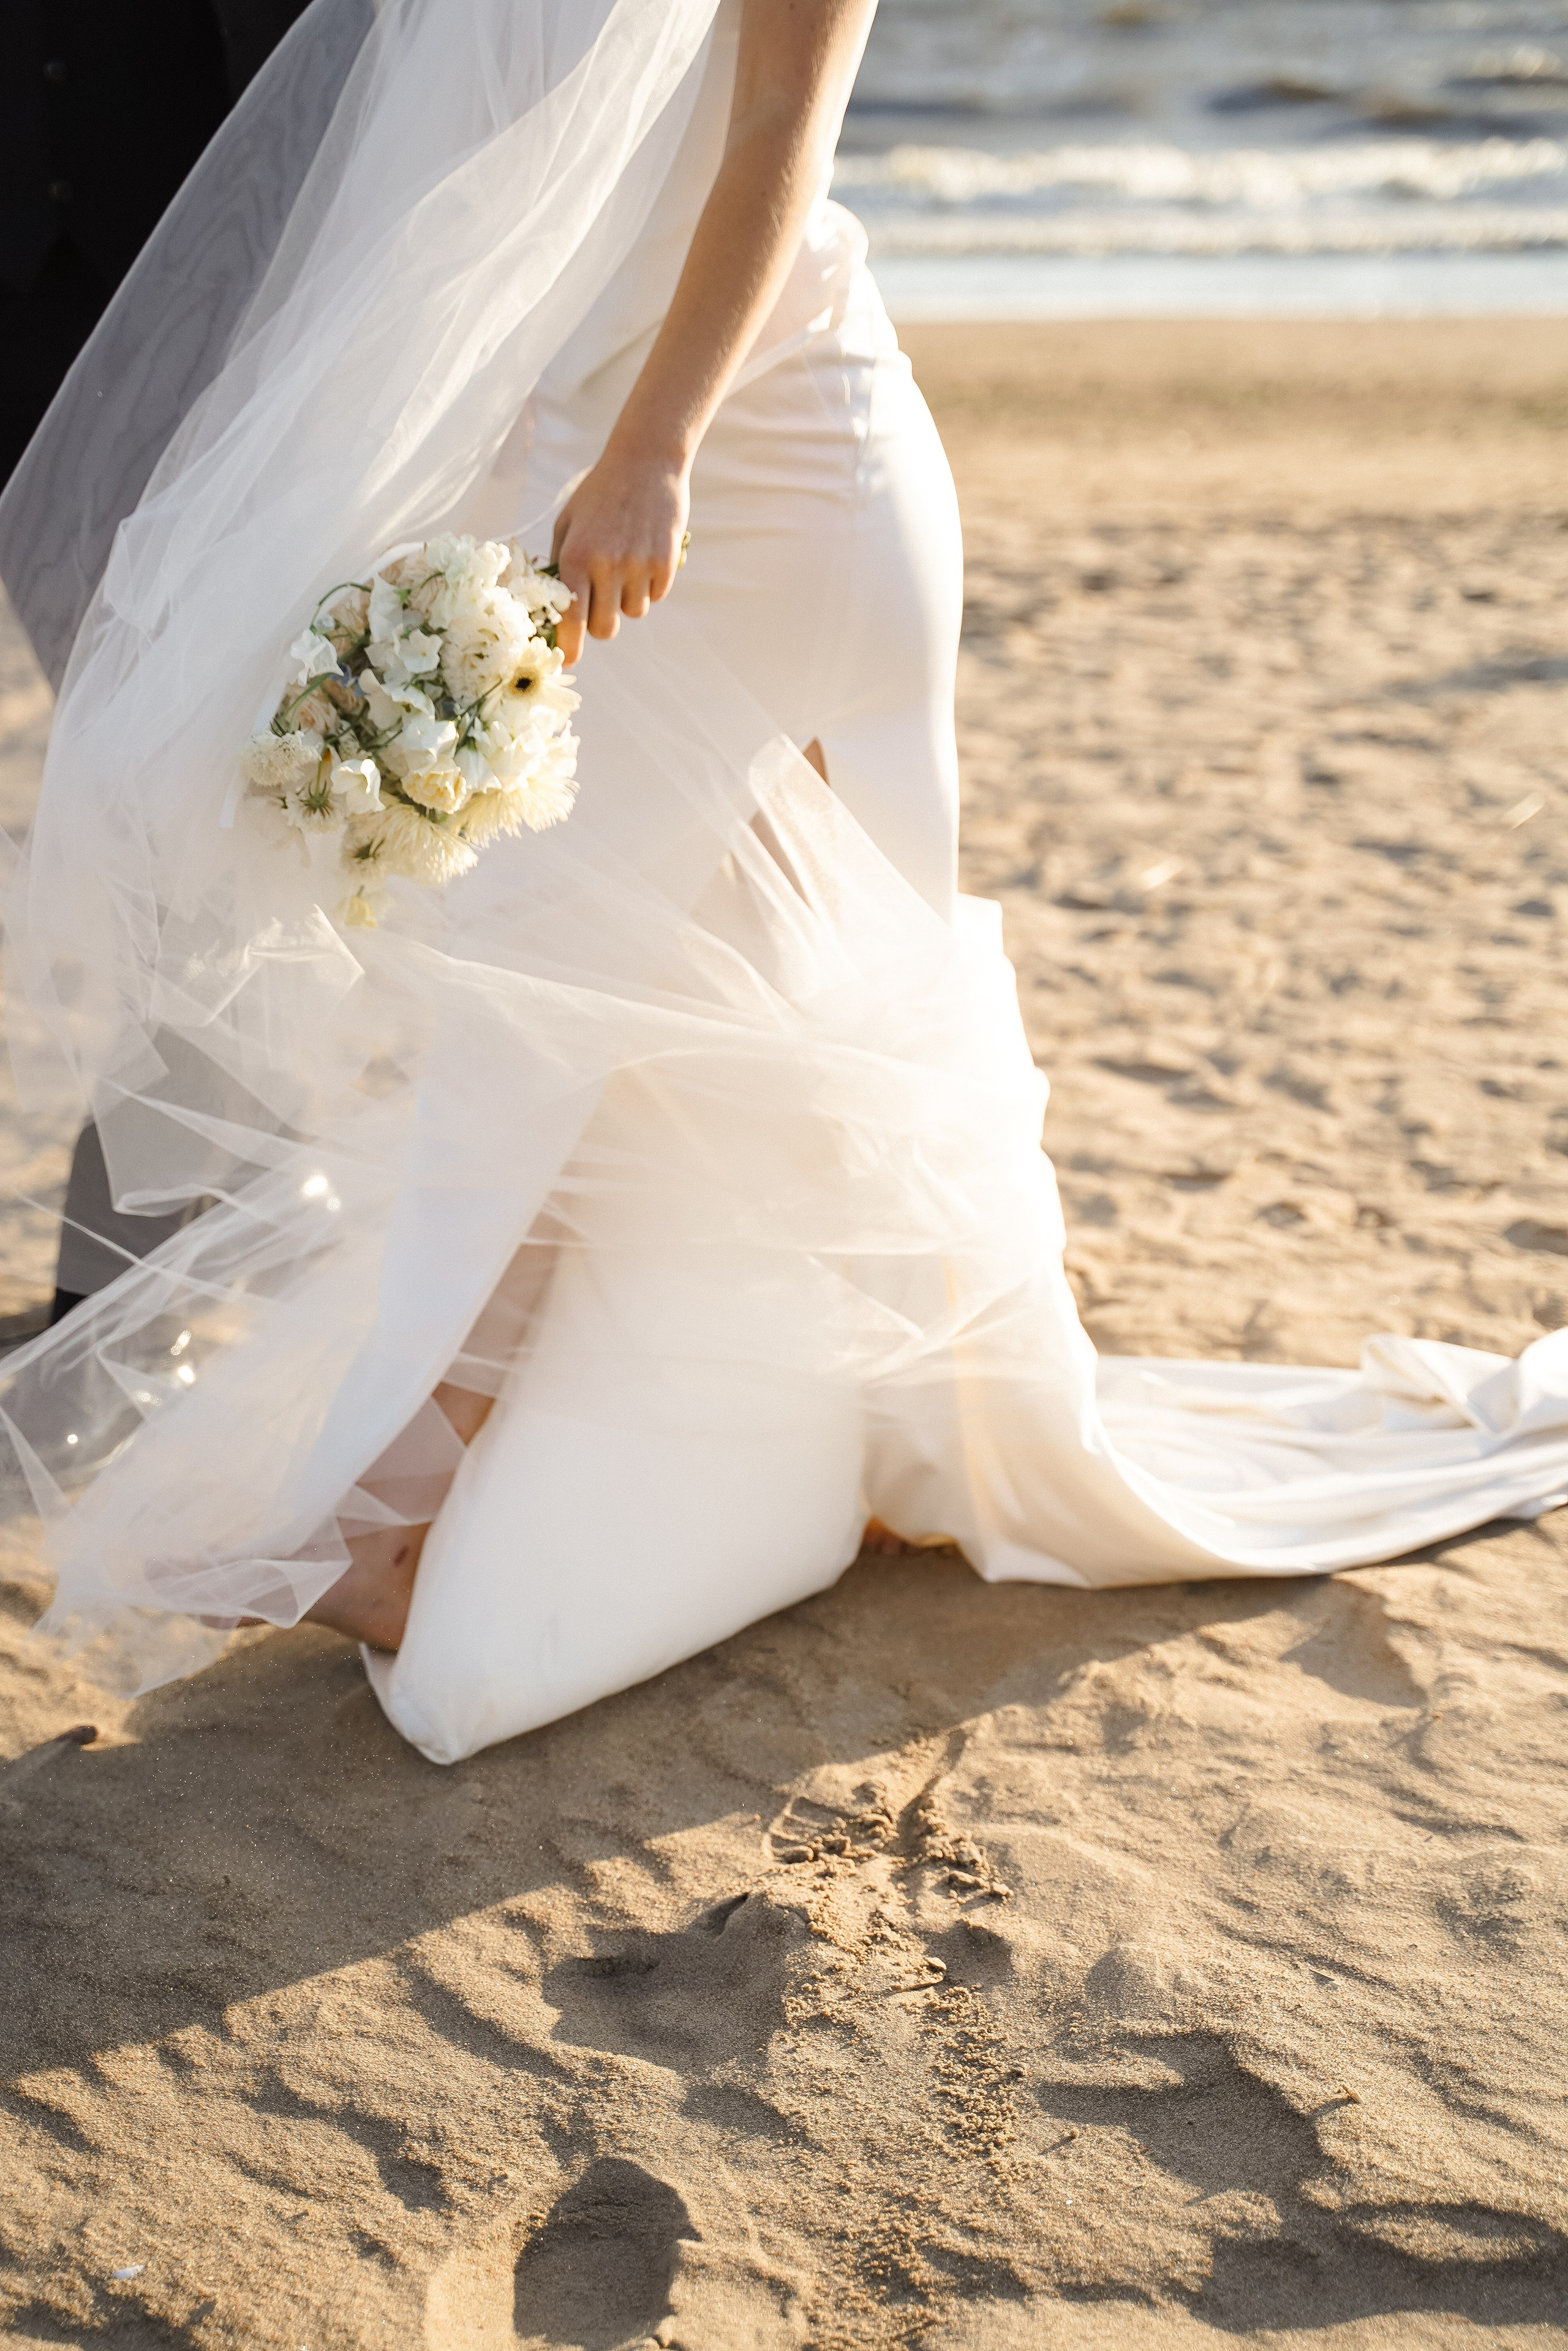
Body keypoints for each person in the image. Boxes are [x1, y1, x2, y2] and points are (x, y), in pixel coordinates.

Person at [1, 0, 1565, 1766]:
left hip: (766, 472)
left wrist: (653, 447)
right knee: (636, 992)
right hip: (588, 468)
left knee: (605, 979)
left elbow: (775, 145)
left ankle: (382, 1514)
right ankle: (790, 1430)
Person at [1, 0, 316, 1321]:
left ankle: (127, 1263)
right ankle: (257, 1181)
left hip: (197, 327)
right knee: (135, 795)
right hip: (23, 333)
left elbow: (302, 63)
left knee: (166, 805)